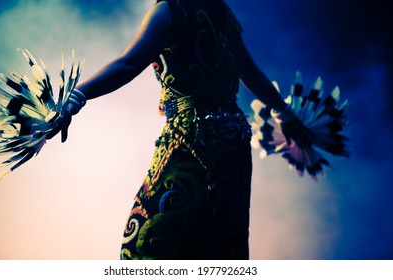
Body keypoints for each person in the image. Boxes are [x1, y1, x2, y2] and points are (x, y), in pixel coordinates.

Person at [51, 0, 309, 259]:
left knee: (150, 245)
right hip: (233, 146)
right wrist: (284, 114)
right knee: (220, 244)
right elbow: (254, 75)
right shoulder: (224, 12)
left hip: (191, 140)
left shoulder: (170, 10)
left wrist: (77, 97)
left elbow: (128, 64)